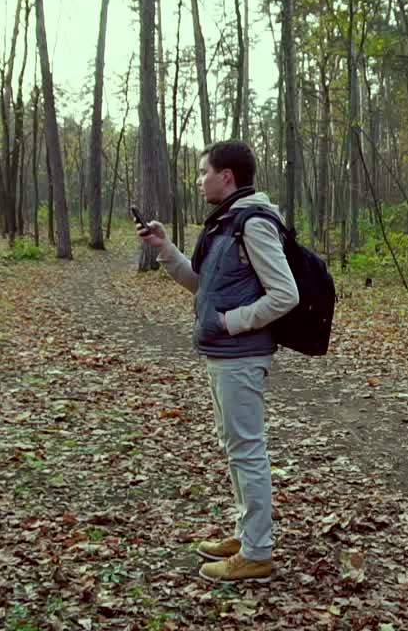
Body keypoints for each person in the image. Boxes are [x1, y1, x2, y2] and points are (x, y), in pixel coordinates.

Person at [135, 139, 299, 583]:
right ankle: (248, 536)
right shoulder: (226, 222)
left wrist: (231, 323)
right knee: (236, 447)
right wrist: (166, 249)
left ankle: (258, 554)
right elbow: (202, 286)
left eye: (203, 171)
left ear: (227, 176)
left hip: (241, 355)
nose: (198, 179)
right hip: (224, 353)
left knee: (247, 449)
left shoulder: (253, 223)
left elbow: (286, 294)